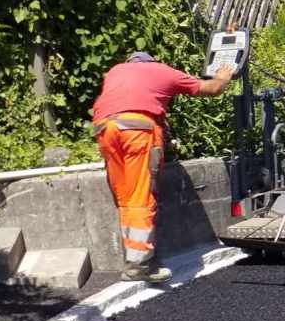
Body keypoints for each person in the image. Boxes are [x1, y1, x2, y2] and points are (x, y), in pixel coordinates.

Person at [92, 52, 234, 282]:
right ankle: (139, 265)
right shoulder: (161, 70)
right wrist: (223, 77)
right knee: (140, 196)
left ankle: (135, 255)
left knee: (125, 196)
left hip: (105, 130)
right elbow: (210, 89)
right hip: (137, 130)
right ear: (150, 62)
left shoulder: (115, 71)